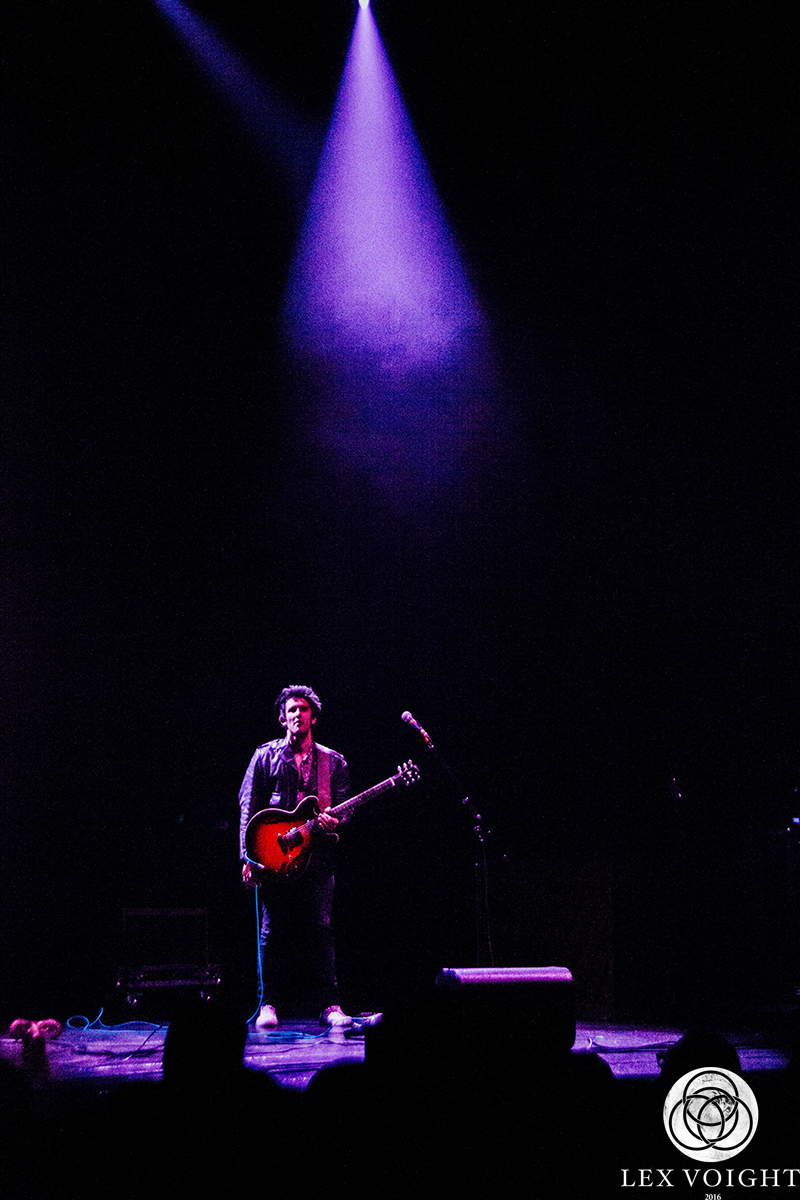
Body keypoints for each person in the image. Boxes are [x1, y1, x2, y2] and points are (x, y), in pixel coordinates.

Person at [239, 685, 352, 1030]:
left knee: (320, 932)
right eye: (291, 710)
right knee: (271, 934)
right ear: (282, 718)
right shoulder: (264, 756)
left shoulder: (333, 762)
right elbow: (248, 806)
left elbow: (343, 811)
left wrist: (338, 820)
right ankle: (268, 1003)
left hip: (316, 861)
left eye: (303, 709)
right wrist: (248, 858)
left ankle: (330, 1006)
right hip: (275, 856)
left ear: (313, 716)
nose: (297, 715)